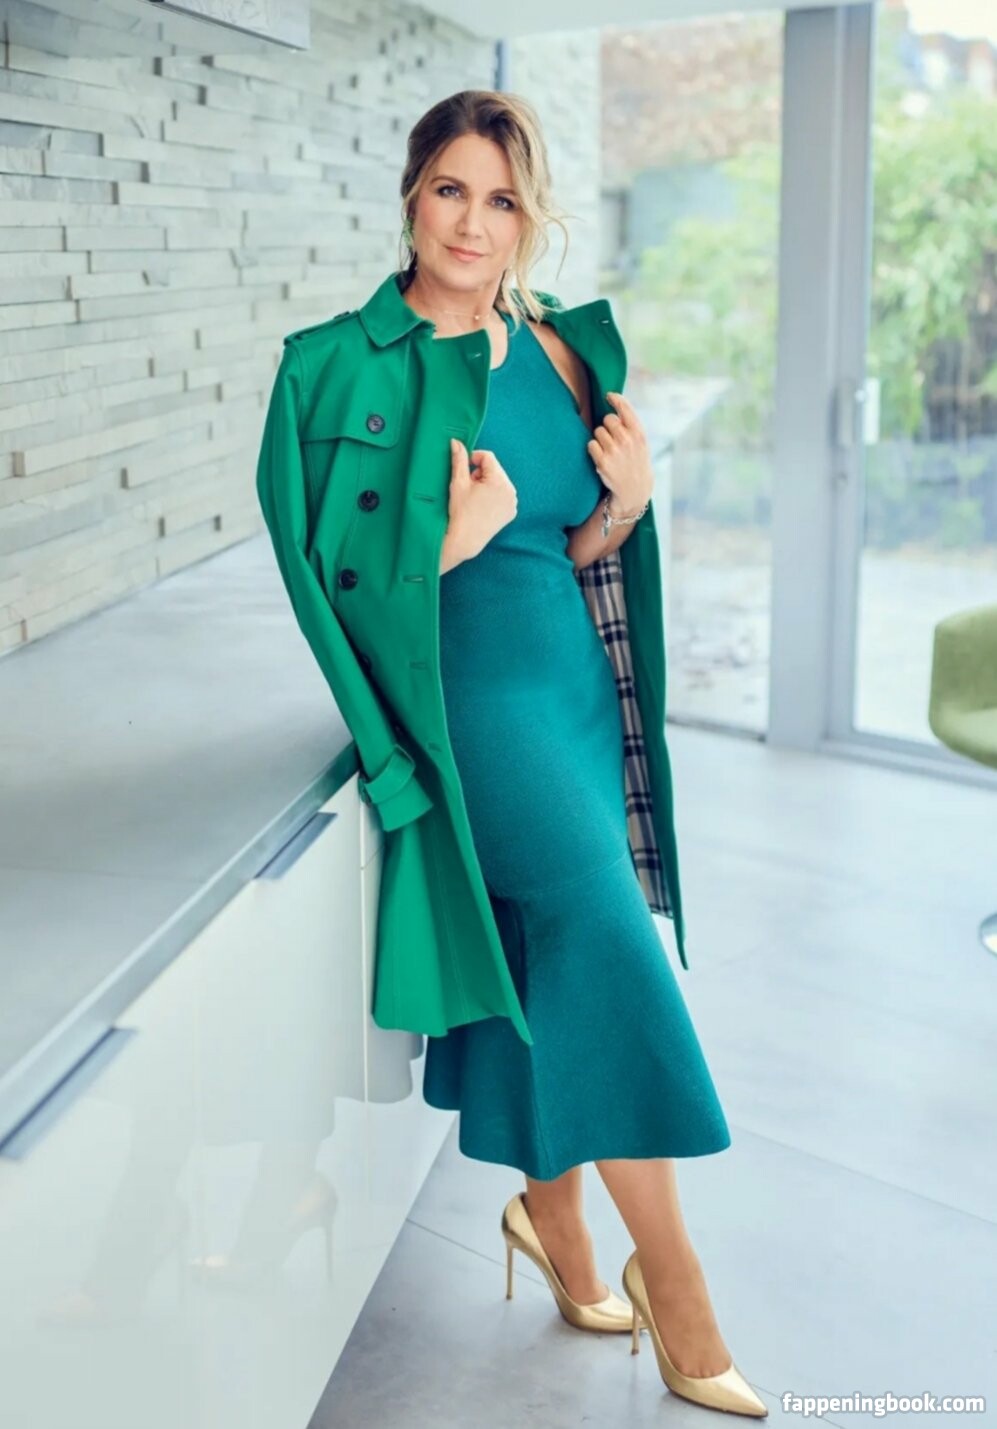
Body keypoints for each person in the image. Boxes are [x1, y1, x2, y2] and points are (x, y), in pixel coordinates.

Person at [263, 87, 767, 1420]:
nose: (472, 224)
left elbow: (568, 549)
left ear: (531, 217)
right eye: (450, 189)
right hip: (468, 706)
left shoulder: (557, 348)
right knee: (599, 929)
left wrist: (626, 509)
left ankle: (558, 1230)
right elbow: (326, 597)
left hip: (572, 690)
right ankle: (677, 1281)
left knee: (546, 964)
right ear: (410, 193)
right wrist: (449, 544)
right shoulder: (330, 369)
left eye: (501, 199)